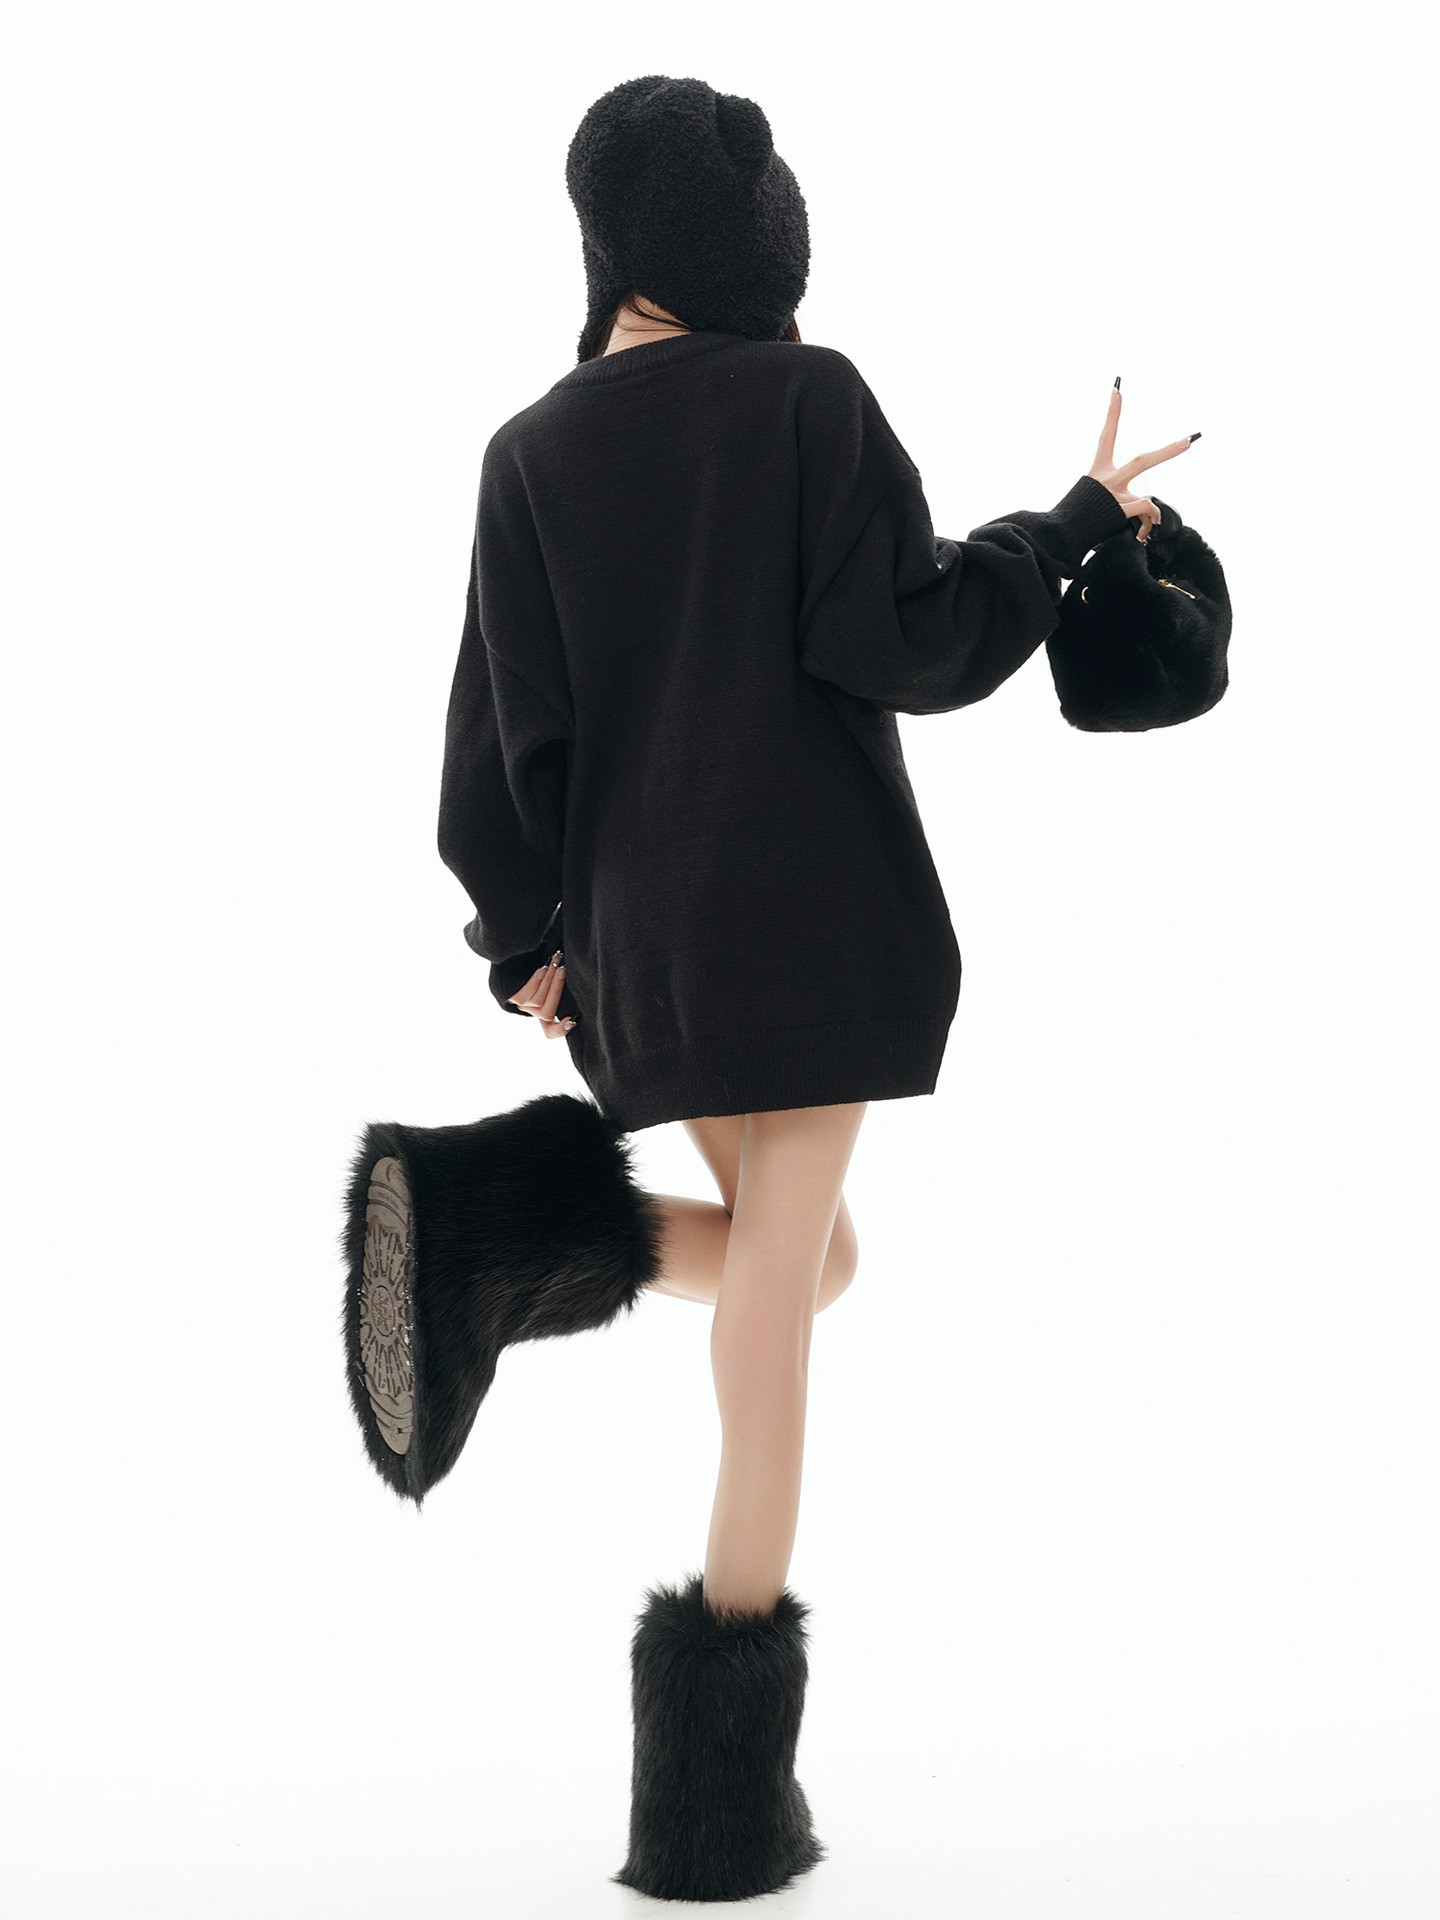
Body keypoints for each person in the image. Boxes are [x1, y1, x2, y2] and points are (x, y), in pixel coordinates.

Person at [435, 73, 1196, 1903]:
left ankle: (490, 1232)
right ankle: (710, 1798)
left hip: (652, 949)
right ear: (759, 251)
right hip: (813, 917)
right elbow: (914, 637)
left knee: (812, 1260)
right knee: (781, 1297)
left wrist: (525, 939)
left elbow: (500, 730)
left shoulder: (528, 453)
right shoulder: (806, 399)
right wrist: (1071, 525)